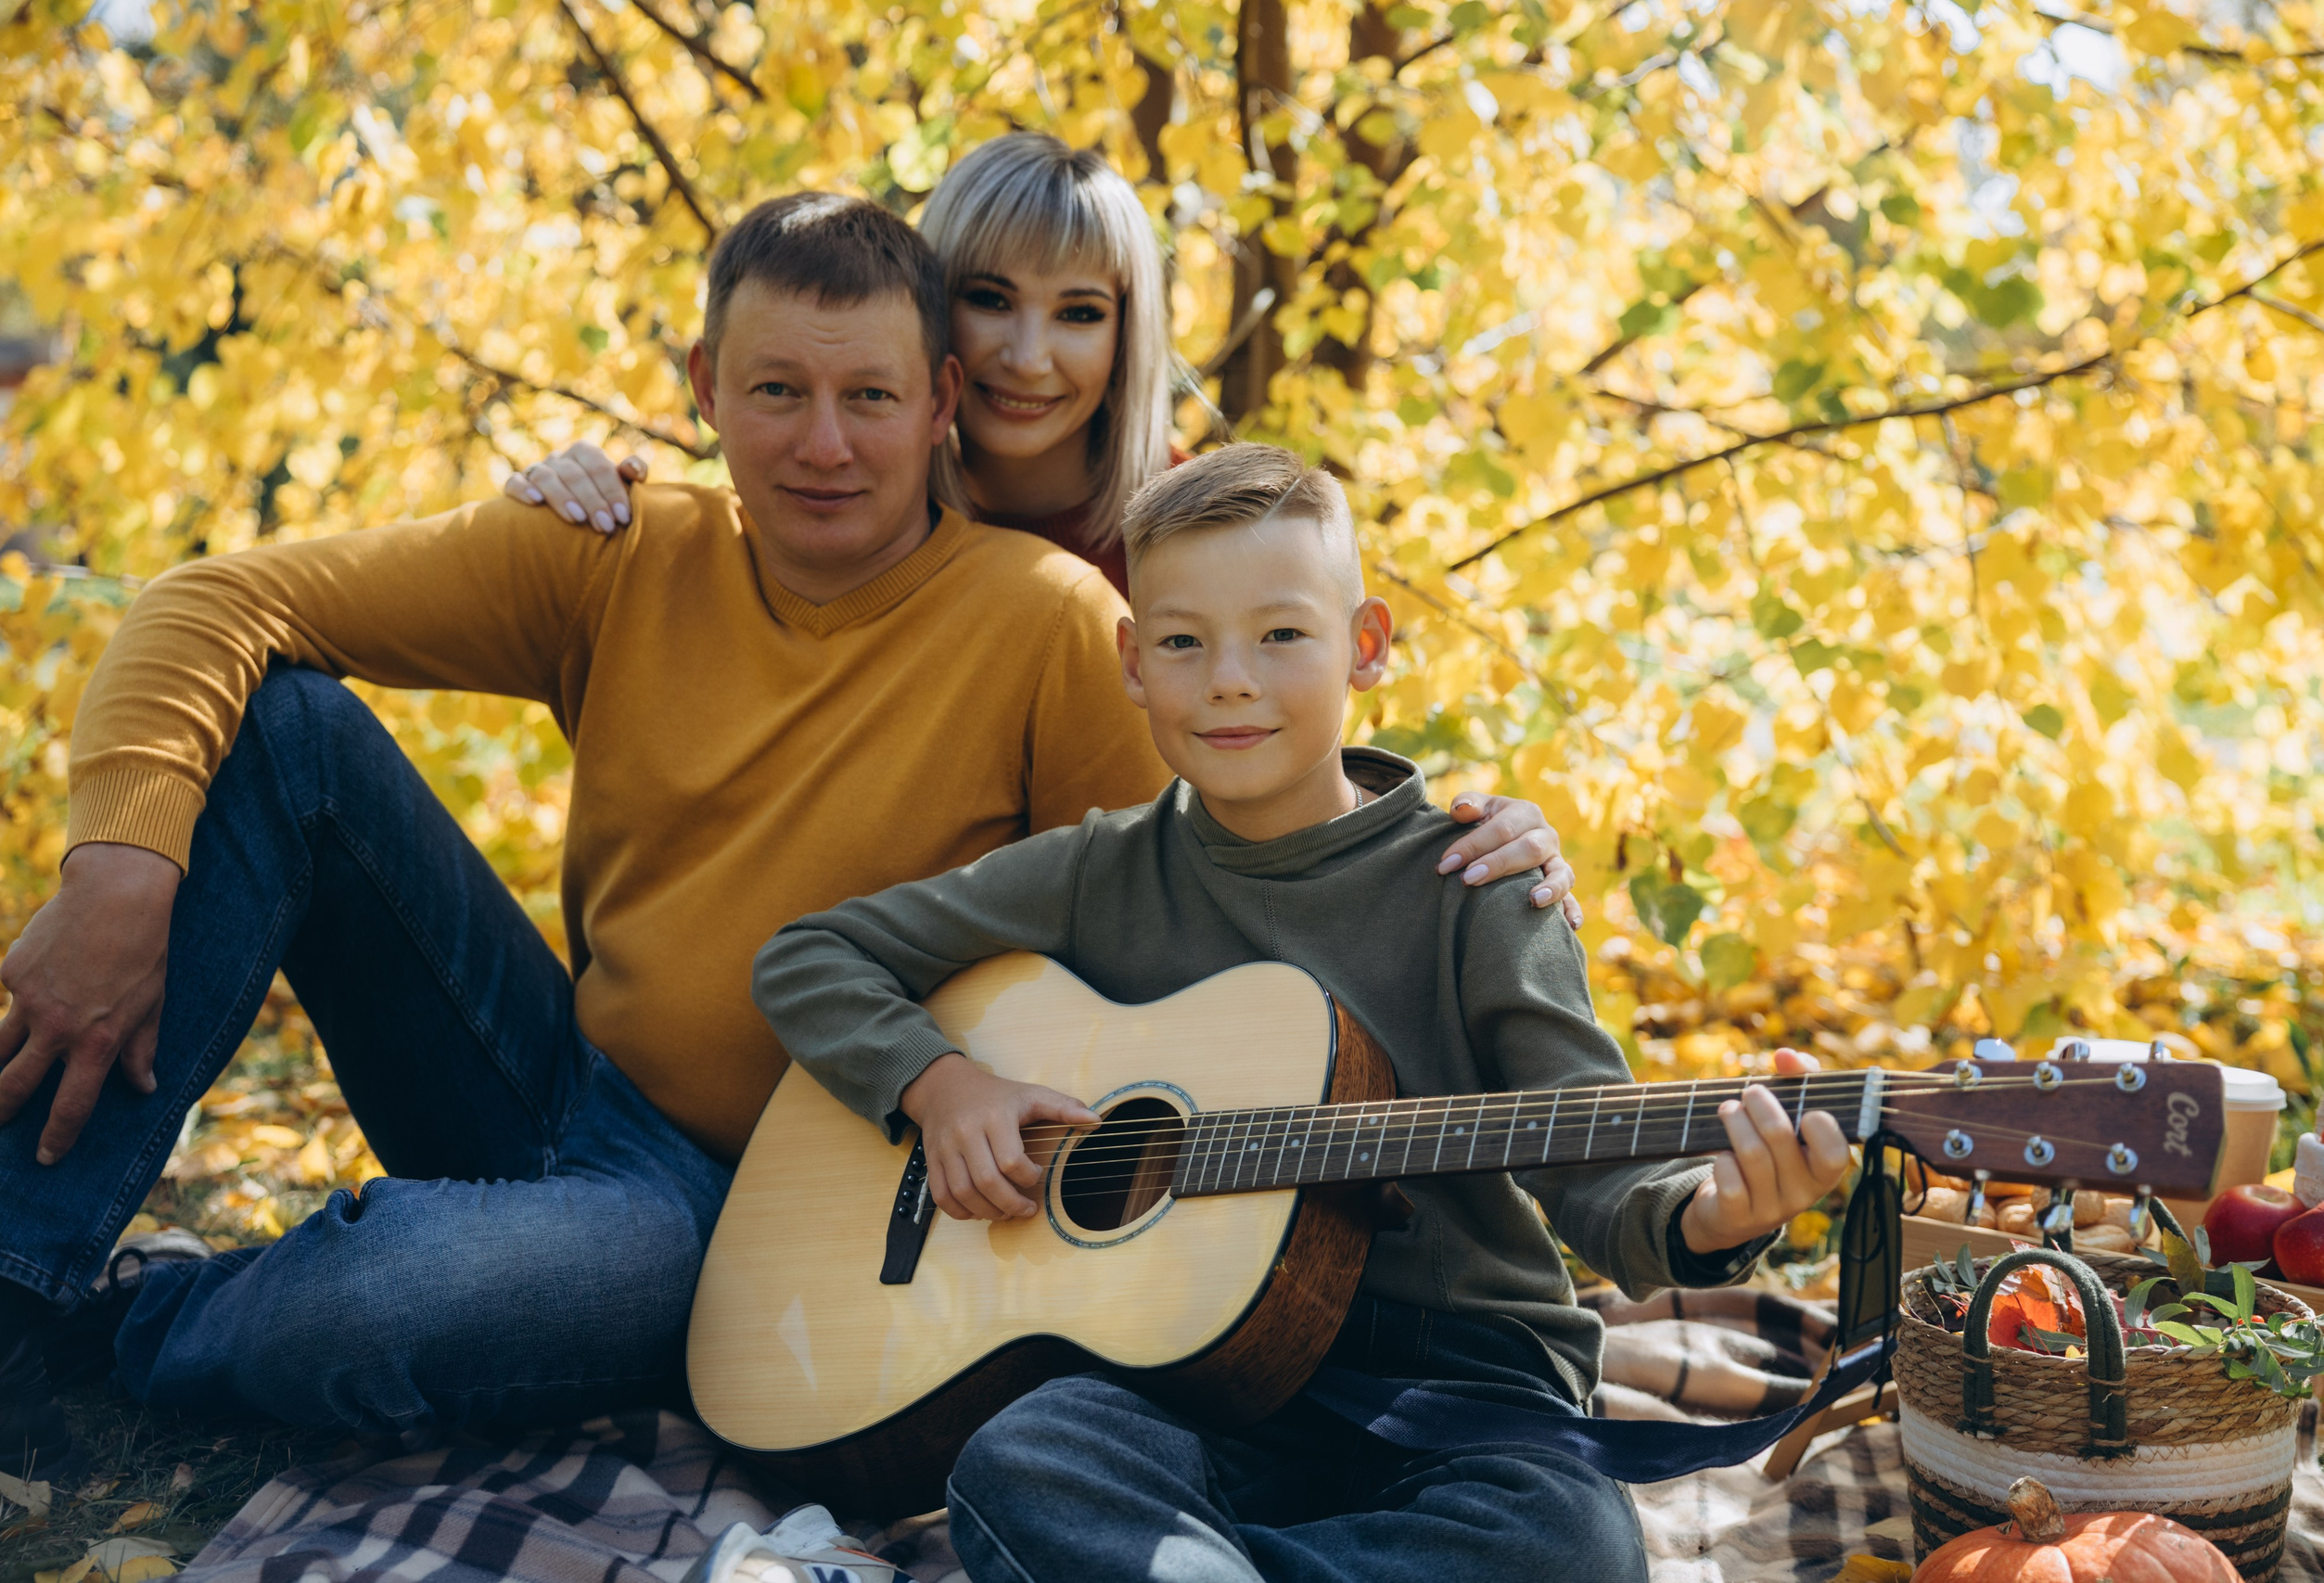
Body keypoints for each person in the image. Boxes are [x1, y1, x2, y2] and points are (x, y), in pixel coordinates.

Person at [0, 197, 1574, 1484]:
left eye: (871, 397)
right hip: (546, 1063)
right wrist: (118, 873)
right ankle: (18, 1283)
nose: (824, 443)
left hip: (767, 1207)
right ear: (702, 387)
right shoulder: (618, 549)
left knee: (378, 1301)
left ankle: (136, 1331)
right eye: (776, 393)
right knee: (291, 733)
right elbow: (218, 600)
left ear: (941, 403)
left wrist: (1450, 838)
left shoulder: (1046, 626)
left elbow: (1210, 888)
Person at [741, 444, 1854, 1582]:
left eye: (1280, 635)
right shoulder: (1099, 868)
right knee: (1024, 1454)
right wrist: (943, 1086)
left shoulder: (1480, 886)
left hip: (1461, 1383)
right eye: (1181, 641)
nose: (1229, 679)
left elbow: (1601, 1184)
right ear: (1131, 661)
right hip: (1193, 1382)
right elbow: (810, 956)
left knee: (1571, 1545)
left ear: (1365, 647)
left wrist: (1716, 1215)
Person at [509, 133, 1169, 599]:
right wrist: (577, 490)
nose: (1028, 358)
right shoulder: (847, 494)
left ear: (1126, 332)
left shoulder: (1208, 530)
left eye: (1079, 313)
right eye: (989, 299)